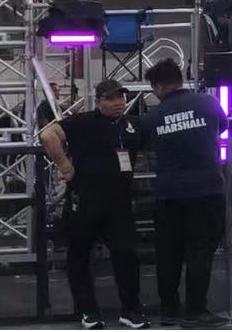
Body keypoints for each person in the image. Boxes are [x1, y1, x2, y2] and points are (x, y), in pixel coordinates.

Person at [39, 79, 148, 330]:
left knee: (126, 254)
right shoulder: (83, 121)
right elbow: (47, 135)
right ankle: (88, 311)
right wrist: (65, 167)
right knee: (79, 256)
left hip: (119, 202)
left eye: (121, 97)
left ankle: (131, 310)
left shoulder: (132, 125)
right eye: (111, 98)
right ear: (98, 101)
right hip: (85, 201)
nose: (118, 103)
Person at [141, 60, 229, 328]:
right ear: (180, 80)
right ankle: (196, 311)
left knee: (168, 253)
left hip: (168, 193)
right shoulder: (209, 103)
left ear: (158, 87)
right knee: (200, 252)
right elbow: (222, 127)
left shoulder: (152, 117)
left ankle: (169, 311)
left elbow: (147, 146)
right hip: (207, 189)